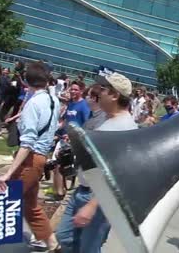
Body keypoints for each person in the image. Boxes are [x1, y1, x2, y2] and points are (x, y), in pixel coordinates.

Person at [0, 61, 61, 253]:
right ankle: (54, 246)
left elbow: (27, 143)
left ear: (25, 81)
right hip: (41, 158)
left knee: (3, 203)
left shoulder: (33, 103)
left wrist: (8, 173)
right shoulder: (53, 99)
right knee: (30, 207)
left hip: (30, 159)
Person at [56, 72, 137, 253]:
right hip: (82, 190)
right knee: (65, 237)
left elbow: (118, 175)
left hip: (98, 199)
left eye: (103, 90)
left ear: (115, 95)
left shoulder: (124, 129)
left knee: (89, 248)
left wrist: (92, 206)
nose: (97, 93)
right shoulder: (107, 120)